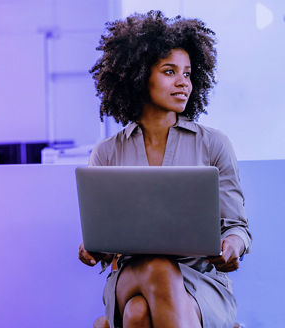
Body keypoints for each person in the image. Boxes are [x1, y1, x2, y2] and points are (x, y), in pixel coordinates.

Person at [78, 11, 251, 328]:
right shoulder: (106, 152)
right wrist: (92, 249)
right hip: (130, 275)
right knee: (157, 267)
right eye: (170, 72)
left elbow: (237, 227)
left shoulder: (214, 144)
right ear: (139, 76)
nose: (183, 82)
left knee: (137, 315)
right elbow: (100, 236)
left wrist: (231, 247)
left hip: (201, 281)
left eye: (187, 73)